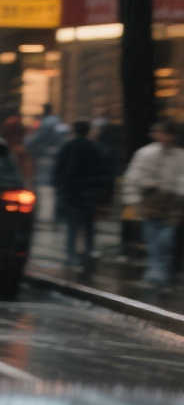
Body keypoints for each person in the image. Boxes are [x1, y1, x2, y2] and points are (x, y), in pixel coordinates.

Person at [124, 121, 184, 288]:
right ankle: (156, 272)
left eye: (164, 133)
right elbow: (133, 178)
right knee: (154, 240)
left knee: (166, 240)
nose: (161, 137)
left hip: (173, 206)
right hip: (150, 204)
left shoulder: (180, 156)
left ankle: (160, 272)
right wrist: (134, 201)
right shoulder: (145, 153)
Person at [51, 120, 111, 280]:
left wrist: (59, 188)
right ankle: (88, 252)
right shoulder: (96, 148)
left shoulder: (67, 147)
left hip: (71, 193)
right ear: (88, 131)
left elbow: (58, 170)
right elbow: (104, 173)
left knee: (73, 226)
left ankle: (71, 255)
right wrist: (101, 193)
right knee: (89, 225)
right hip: (89, 193)